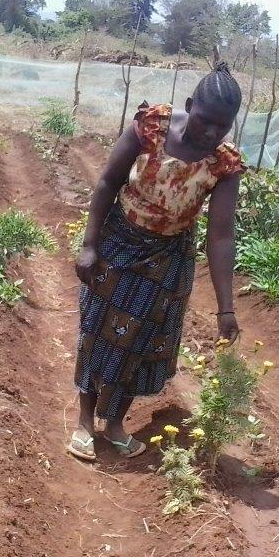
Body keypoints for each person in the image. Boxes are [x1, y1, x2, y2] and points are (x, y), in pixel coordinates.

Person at [68, 63, 245, 461]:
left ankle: (115, 422)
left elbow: (220, 236)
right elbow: (107, 182)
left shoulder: (224, 164)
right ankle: (84, 420)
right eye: (205, 122)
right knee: (100, 331)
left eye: (223, 126)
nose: (212, 133)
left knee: (142, 342)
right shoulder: (151, 126)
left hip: (167, 261)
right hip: (118, 245)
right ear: (188, 106)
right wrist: (89, 245)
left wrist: (226, 308)